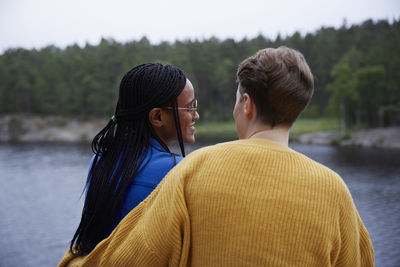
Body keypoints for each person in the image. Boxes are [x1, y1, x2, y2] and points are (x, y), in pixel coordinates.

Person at [59, 47, 374, 266]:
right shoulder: (336, 190)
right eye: (191, 107)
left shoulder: (192, 169)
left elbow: (138, 254)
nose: (197, 114)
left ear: (247, 105)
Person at [69, 63, 199, 256]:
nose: (196, 115)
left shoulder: (100, 159)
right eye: (190, 107)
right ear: (157, 117)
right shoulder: (177, 171)